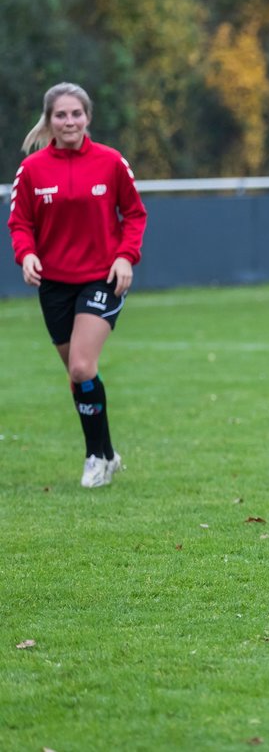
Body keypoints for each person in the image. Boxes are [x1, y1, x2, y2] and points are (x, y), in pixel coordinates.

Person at [7, 82, 148, 488]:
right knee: (78, 376)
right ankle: (108, 452)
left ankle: (93, 459)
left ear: (88, 117)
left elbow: (134, 215)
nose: (69, 121)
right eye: (61, 115)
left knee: (83, 366)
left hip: (102, 279)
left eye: (76, 114)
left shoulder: (111, 162)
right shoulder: (32, 170)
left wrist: (125, 256)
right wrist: (27, 253)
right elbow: (20, 223)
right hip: (53, 284)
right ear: (49, 121)